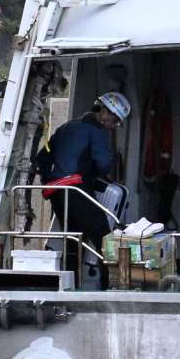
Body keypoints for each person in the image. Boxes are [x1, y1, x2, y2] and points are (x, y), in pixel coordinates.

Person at [41, 91, 130, 284]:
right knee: (104, 237)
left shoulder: (66, 127)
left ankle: (70, 283)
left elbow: (43, 156)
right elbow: (103, 163)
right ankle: (112, 284)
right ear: (105, 112)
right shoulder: (96, 132)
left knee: (73, 238)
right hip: (76, 189)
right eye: (115, 121)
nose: (114, 126)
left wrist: (51, 179)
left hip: (56, 192)